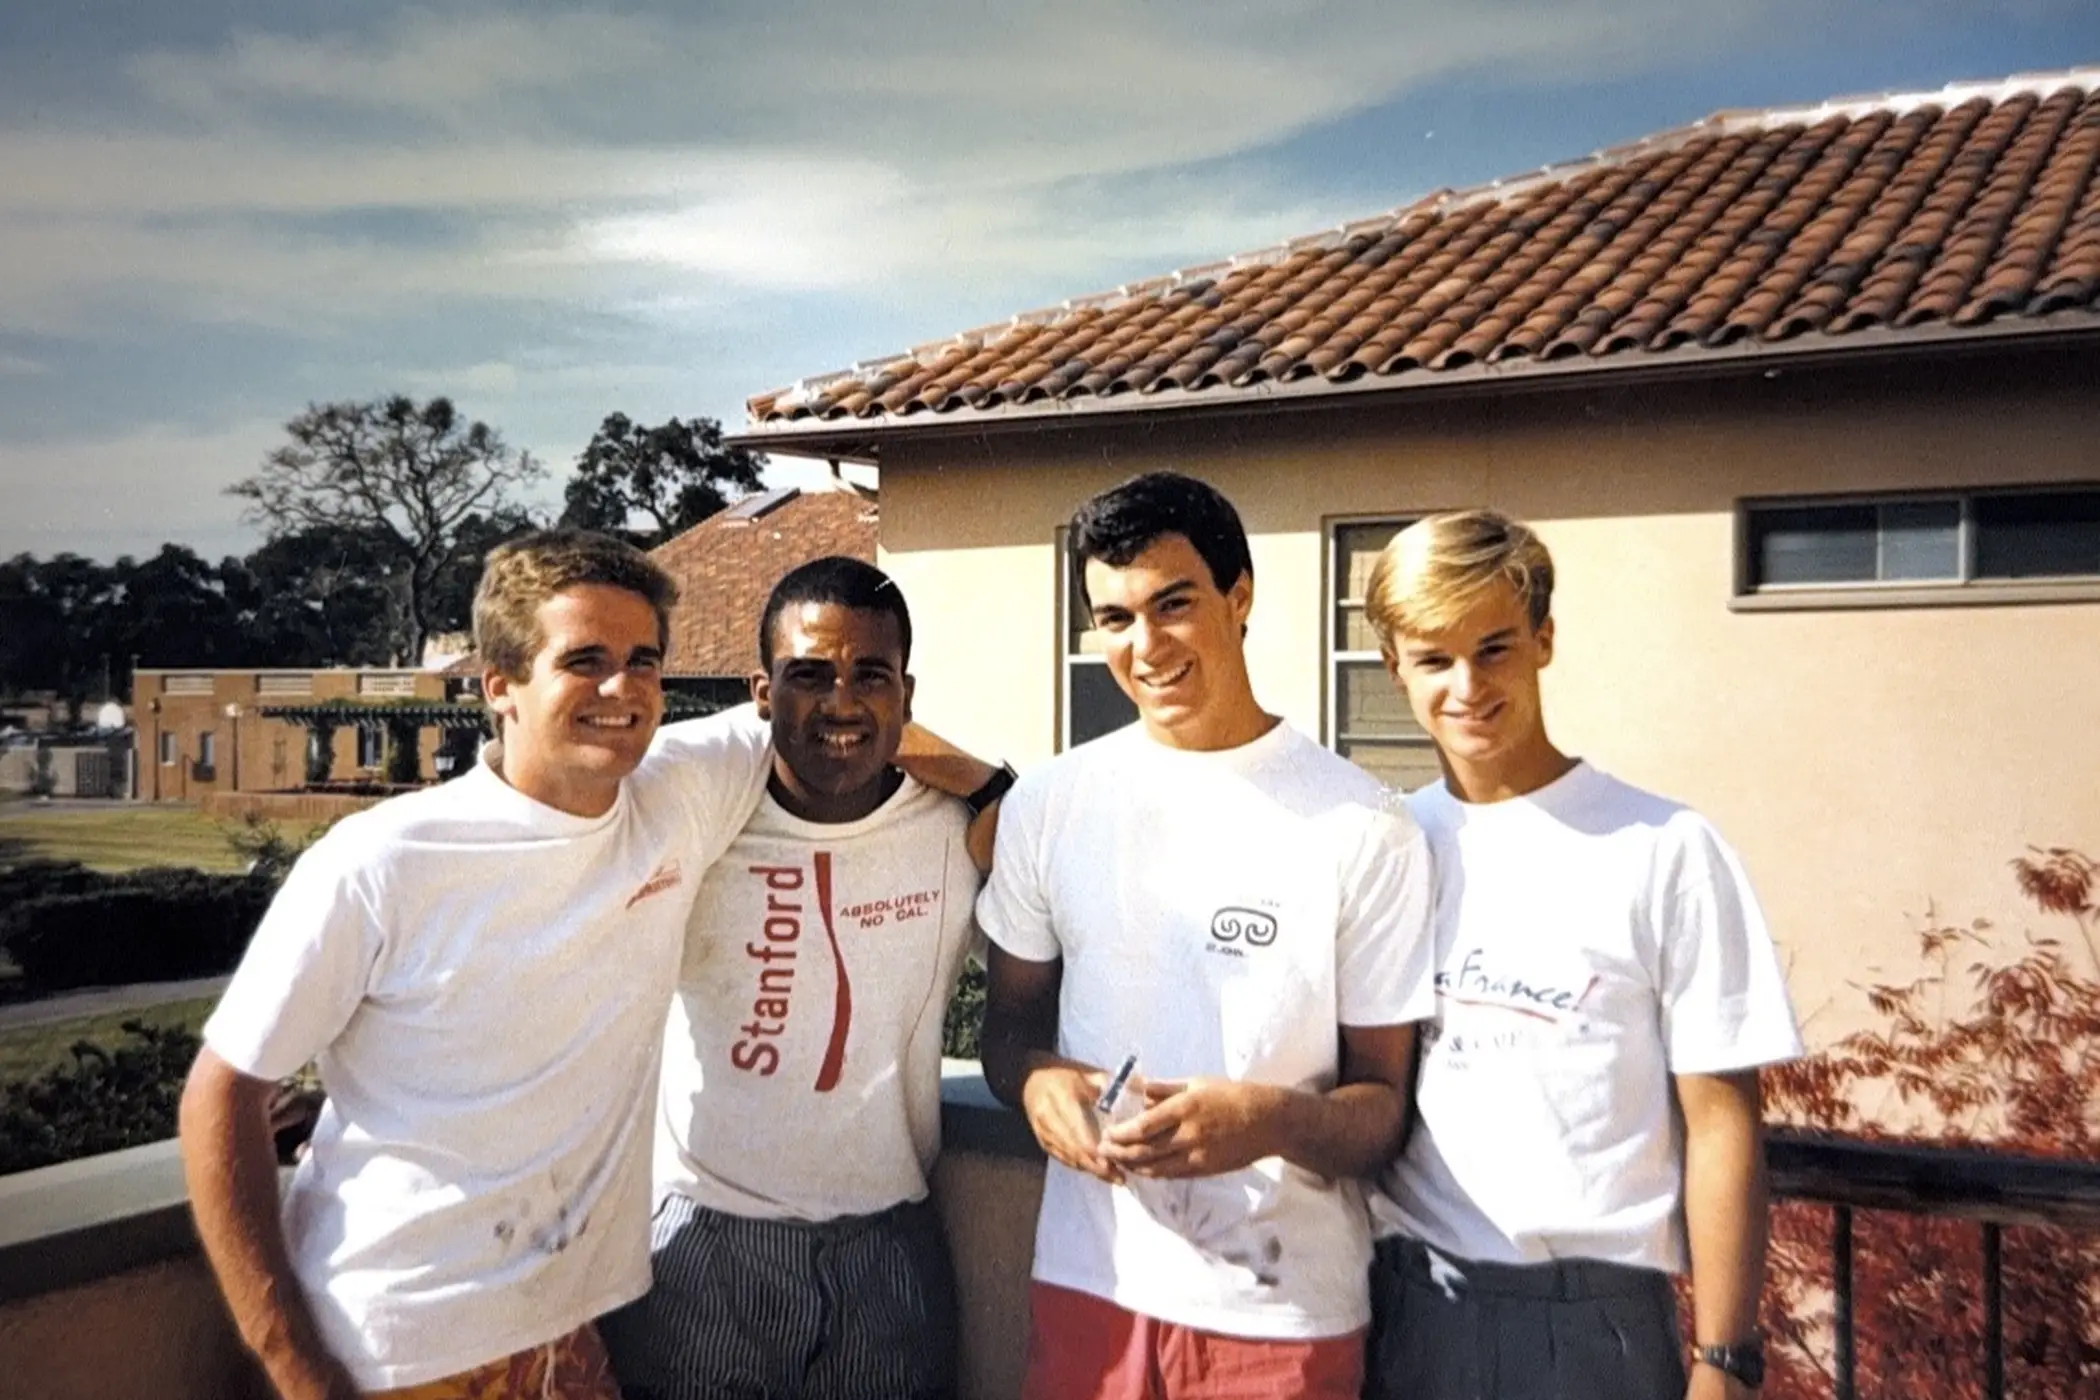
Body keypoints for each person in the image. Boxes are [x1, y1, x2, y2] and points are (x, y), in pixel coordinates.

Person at [181, 530, 772, 1400]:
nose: (623, 688)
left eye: (643, 660)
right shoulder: (385, 860)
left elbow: (832, 712)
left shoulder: (677, 797)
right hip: (391, 1349)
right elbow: (221, 1095)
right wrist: (292, 1366)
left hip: (564, 1341)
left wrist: (991, 794)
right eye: (585, 660)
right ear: (500, 686)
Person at [976, 471, 1436, 1400]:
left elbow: (1383, 1109)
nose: (1144, 647)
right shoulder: (1050, 803)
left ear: (1241, 596)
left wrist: (1267, 1121)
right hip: (1088, 1291)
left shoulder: (1365, 820)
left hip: (1279, 1317)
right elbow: (1008, 1031)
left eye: (1172, 604)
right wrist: (1036, 1084)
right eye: (1113, 618)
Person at [1358, 510, 1803, 1400]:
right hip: (1408, 1312)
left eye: (1495, 649)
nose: (1468, 686)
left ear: (1544, 640)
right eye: (1434, 658)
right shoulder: (1388, 844)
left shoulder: (1663, 845)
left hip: (1593, 1328)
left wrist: (1727, 1362)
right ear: (1394, 666)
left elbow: (1722, 1122)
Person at [601, 556, 999, 1400]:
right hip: (706, 1252)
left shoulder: (960, 829)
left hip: (890, 1249)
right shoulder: (702, 820)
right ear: (760, 691)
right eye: (809, 675)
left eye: (871, 676)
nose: (842, 702)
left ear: (908, 693)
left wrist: (984, 780)